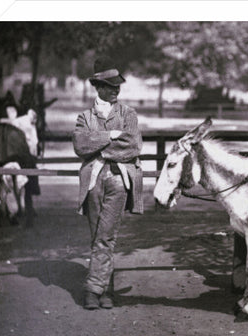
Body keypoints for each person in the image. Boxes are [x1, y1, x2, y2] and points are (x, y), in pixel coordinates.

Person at [73, 57, 143, 310]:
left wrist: (100, 149)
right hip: (92, 182)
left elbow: (132, 147)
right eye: (110, 86)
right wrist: (111, 136)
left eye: (118, 86)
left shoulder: (128, 114)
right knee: (98, 237)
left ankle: (92, 290)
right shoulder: (84, 117)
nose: (116, 90)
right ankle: (106, 291)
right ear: (98, 87)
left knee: (105, 236)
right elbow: (80, 146)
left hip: (118, 180)